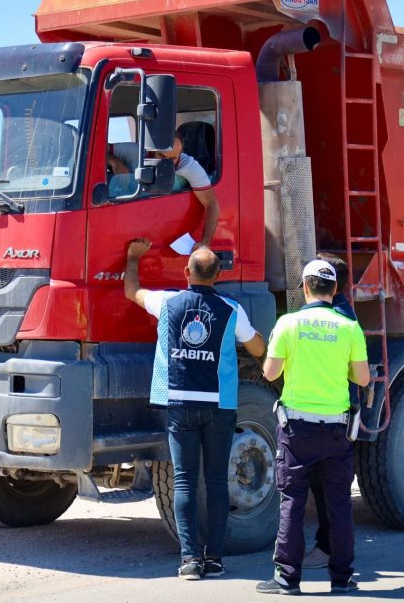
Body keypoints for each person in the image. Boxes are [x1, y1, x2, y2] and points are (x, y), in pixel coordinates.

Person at [124, 239, 265, 580]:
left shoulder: (167, 302)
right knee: (216, 481)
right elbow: (258, 348)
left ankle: (189, 559)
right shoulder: (232, 309)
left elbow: (132, 291)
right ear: (218, 276)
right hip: (219, 405)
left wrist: (132, 258)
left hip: (179, 402)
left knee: (185, 482)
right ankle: (214, 558)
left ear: (187, 272)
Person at [258, 260, 370, 595]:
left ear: (305, 287)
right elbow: (362, 378)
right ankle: (342, 578)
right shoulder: (349, 327)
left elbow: (270, 373)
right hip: (337, 432)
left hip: (297, 431)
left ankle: (287, 579)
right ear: (334, 290)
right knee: (338, 503)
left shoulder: (288, 324)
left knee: (292, 500)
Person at [302, 253, 356, 570]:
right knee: (329, 485)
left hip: (330, 413)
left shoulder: (335, 319)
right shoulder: (344, 314)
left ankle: (328, 548)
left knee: (326, 487)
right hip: (338, 412)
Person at [108, 130, 221, 248]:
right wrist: (115, 162)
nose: (165, 163)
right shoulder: (135, 152)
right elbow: (98, 150)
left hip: (163, 228)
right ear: (152, 151)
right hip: (128, 220)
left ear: (181, 154)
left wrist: (205, 244)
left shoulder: (189, 167)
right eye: (161, 156)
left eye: (172, 158)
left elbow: (212, 204)